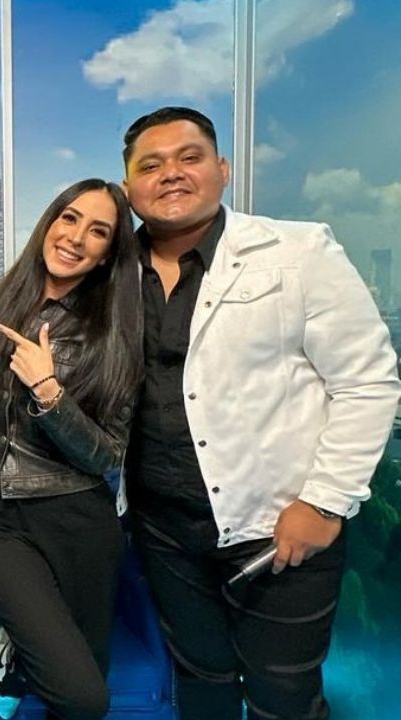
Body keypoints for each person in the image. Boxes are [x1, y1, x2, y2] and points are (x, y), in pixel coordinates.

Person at [120, 106, 401, 720]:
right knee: (202, 683)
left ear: (222, 169)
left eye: (189, 157)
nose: (171, 173)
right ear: (129, 187)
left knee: (284, 697)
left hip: (280, 527)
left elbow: (368, 382)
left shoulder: (298, 251)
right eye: (151, 165)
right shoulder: (111, 273)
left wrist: (324, 504)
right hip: (164, 531)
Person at [0, 179, 141, 720]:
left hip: (77, 516)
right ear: (49, 222)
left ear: (108, 255)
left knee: (77, 699)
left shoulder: (114, 331)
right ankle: (21, 639)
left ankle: (23, 644)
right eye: (69, 218)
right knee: (85, 699)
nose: (76, 237)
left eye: (98, 231)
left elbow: (107, 455)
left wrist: (49, 392)